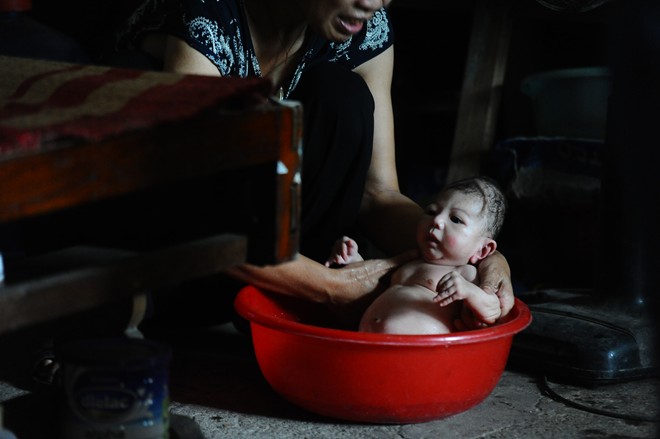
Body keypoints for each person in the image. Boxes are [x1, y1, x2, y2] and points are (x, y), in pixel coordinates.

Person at [108, 0, 515, 325]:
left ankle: (282, 309)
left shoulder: (361, 28)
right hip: (170, 262)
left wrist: (480, 256)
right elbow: (197, 214)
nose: (372, 3)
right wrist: (330, 286)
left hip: (283, 269)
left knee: (342, 95)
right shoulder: (203, 14)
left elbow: (376, 194)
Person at [326, 176, 507, 334]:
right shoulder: (409, 261)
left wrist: (470, 292)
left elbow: (492, 311)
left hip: (421, 357)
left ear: (482, 250)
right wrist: (353, 259)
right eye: (431, 211)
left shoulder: (465, 274)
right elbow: (371, 287)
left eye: (456, 219)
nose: (437, 220)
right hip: (370, 342)